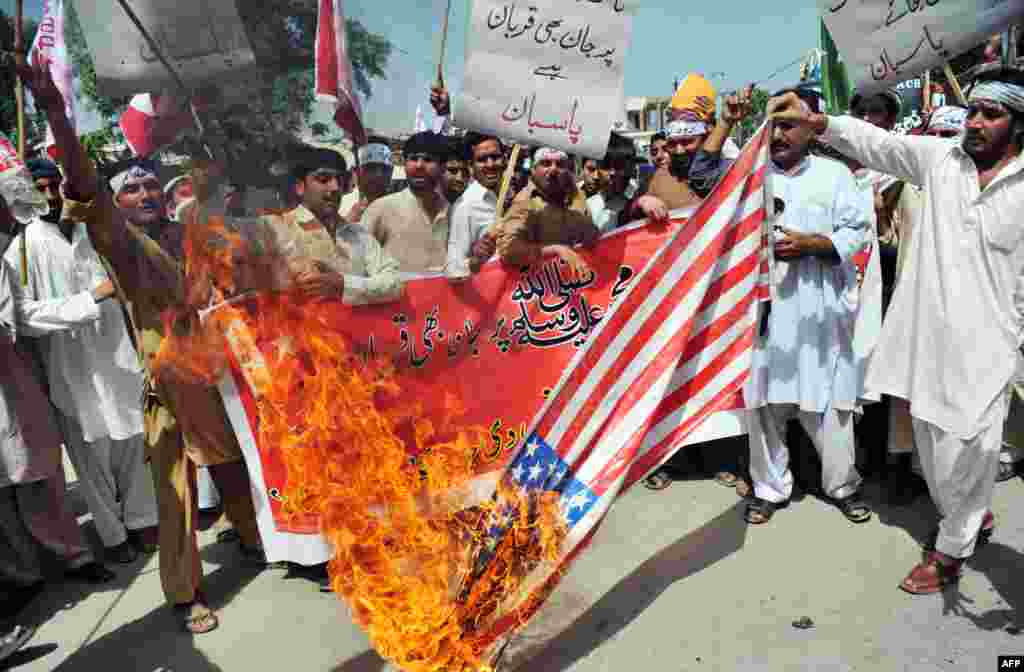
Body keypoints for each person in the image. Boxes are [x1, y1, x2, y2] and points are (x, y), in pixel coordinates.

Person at [20, 57, 261, 633]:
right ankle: (186, 593)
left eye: (153, 182)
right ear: (116, 204)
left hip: (222, 376)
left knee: (237, 468)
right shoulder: (120, 242)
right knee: (175, 497)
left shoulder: (189, 232)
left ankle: (256, 539)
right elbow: (82, 181)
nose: (147, 191)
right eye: (133, 187)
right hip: (169, 386)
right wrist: (54, 108)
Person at [768, 66, 1024, 593]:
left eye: (991, 114)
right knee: (932, 444)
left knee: (970, 446)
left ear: (1018, 125)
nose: (975, 122)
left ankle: (950, 550)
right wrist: (820, 122)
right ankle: (967, 513)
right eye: (973, 110)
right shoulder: (939, 161)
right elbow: (876, 143)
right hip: (923, 335)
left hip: (990, 343)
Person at [4, 158, 159, 565]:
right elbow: (25, 316)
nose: (51, 193)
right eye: (40, 187)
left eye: (56, 183)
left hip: (117, 354)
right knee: (91, 459)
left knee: (131, 442)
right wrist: (91, 300)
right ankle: (112, 535)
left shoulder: (95, 228)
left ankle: (143, 520)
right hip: (70, 367)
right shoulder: (20, 248)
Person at [735, 87, 873, 526]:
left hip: (818, 308)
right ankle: (770, 489)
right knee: (763, 404)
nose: (778, 134)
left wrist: (815, 245)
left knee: (830, 406)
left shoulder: (835, 176)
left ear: (811, 129)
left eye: (788, 123)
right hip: (764, 312)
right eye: (772, 123)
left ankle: (842, 486)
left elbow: (857, 232)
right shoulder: (748, 177)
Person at [0, 200, 114, 588]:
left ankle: (72, 555)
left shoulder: (11, 254)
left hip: (13, 381)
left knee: (38, 470)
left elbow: (21, 317)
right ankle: (22, 572)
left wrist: (89, 300)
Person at [494, 146, 598, 274]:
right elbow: (508, 249)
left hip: (579, 282)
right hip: (543, 285)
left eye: (560, 164)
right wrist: (553, 250)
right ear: (533, 170)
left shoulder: (577, 196)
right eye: (546, 163)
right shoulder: (525, 201)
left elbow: (591, 234)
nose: (553, 169)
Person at [365, 131, 452, 274]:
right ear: (404, 163)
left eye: (428, 159)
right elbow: (357, 265)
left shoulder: (453, 212)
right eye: (413, 158)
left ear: (442, 167)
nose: (419, 165)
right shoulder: (381, 209)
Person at [445, 132, 506, 277]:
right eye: (482, 159)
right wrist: (477, 260)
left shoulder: (508, 197)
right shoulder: (466, 206)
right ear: (471, 166)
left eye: (495, 157)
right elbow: (454, 269)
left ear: (504, 159)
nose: (490, 164)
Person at [586, 133, 638, 233]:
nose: (612, 172)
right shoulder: (590, 205)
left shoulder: (640, 196)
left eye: (618, 164)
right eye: (606, 165)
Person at [340, 139, 394, 225]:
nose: (378, 175)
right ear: (355, 172)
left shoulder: (403, 207)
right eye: (370, 168)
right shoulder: (340, 206)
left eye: (384, 169)